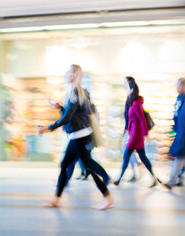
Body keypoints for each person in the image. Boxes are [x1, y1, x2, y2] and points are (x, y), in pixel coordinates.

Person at [39, 64, 112, 210]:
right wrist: (59, 107)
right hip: (77, 136)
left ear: (74, 75)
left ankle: (107, 197)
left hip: (79, 137)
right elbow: (72, 114)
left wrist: (49, 128)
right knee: (67, 165)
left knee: (86, 167)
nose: (66, 75)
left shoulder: (75, 92)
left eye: (68, 73)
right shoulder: (77, 92)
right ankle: (56, 199)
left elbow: (68, 117)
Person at [113, 76, 162, 187]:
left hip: (136, 135)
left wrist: (146, 134)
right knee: (143, 158)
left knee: (126, 156)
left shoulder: (136, 103)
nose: (126, 89)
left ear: (131, 90)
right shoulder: (131, 101)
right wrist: (127, 130)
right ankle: (154, 178)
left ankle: (119, 179)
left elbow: (142, 119)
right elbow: (130, 119)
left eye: (127, 88)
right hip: (133, 133)